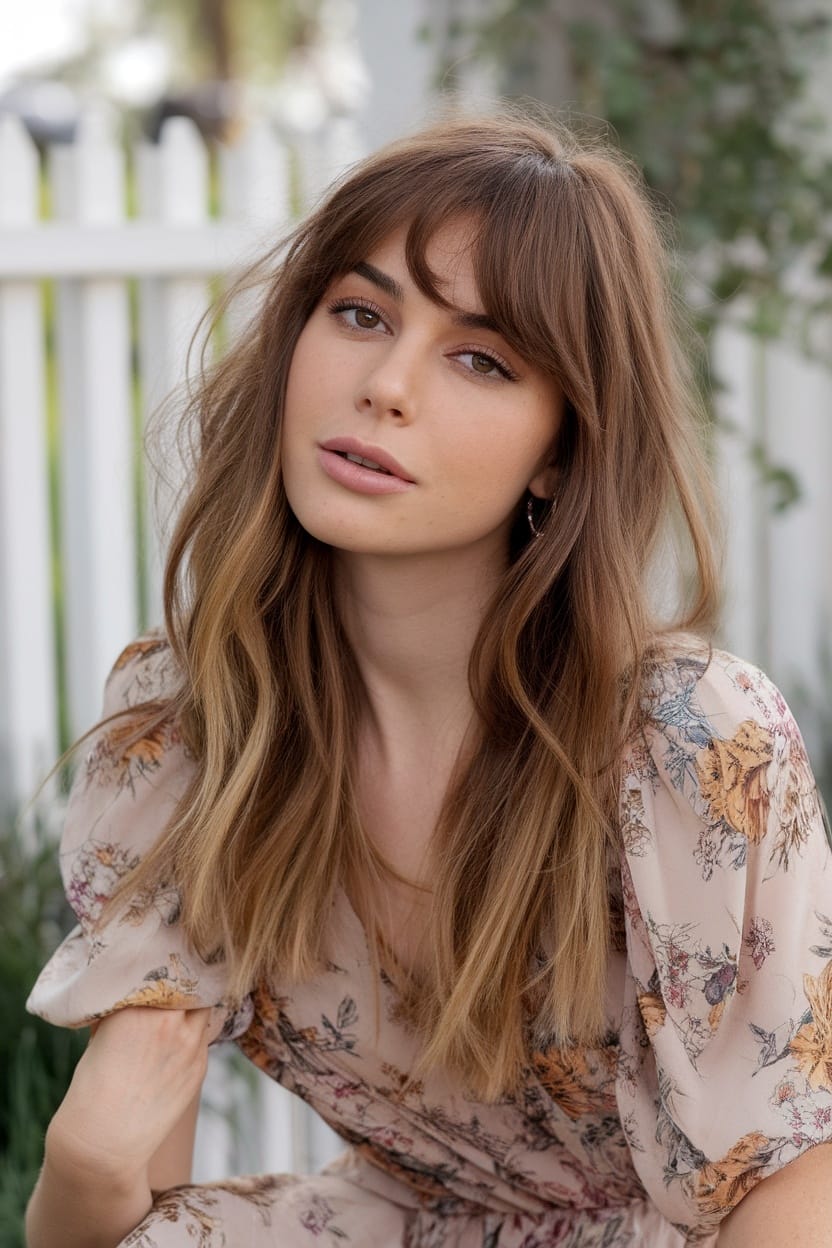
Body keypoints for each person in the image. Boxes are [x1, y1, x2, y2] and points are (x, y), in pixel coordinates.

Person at [23, 106, 832, 1248]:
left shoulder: (684, 739)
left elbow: (796, 1190)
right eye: (358, 313)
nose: (386, 385)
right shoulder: (190, 733)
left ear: (560, 450)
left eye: (480, 359)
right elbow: (116, 1213)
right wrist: (85, 1157)